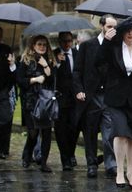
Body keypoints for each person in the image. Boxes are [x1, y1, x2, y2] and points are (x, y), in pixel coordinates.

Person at [95, 17, 132, 189]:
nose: (131, 33)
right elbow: (98, 61)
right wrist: (106, 40)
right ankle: (119, 171)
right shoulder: (113, 47)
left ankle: (130, 172)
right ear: (122, 33)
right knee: (120, 132)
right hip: (116, 97)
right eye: (128, 30)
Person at [73, 14, 117, 178]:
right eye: (109, 27)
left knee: (109, 133)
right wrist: (79, 89)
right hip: (91, 96)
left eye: (114, 27)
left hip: (108, 95)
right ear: (102, 26)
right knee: (90, 132)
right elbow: (77, 71)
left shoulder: (116, 47)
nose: (112, 30)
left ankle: (110, 164)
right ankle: (92, 164)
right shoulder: (87, 46)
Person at [16, 35, 57, 172]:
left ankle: (44, 162)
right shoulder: (26, 60)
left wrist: (46, 65)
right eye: (39, 44)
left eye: (44, 44)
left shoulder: (50, 60)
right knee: (33, 132)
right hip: (30, 101)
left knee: (46, 132)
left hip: (45, 101)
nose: (42, 47)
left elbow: (52, 81)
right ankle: (27, 156)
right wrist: (34, 79)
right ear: (33, 46)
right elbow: (20, 80)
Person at [53, 31, 78, 171]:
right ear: (59, 42)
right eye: (64, 41)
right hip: (60, 98)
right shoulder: (54, 54)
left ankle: (71, 153)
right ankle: (65, 158)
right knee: (61, 130)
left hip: (74, 98)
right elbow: (50, 75)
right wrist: (57, 63)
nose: (67, 44)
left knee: (74, 128)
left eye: (69, 41)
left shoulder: (76, 53)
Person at [0, 25, 16, 165]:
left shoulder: (6, 50)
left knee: (4, 119)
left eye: (0, 35)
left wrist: (12, 65)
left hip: (2, 92)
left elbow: (13, 74)